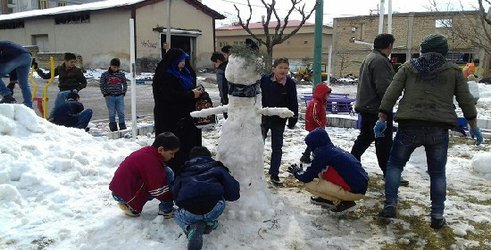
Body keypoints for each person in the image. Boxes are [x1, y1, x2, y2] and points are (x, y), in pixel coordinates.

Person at [376, 34, 484, 229]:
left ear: (423, 49)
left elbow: (391, 92)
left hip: (410, 125)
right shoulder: (453, 71)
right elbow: (465, 99)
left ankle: (390, 205)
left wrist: (382, 118)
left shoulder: (408, 67)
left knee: (395, 166)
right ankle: (436, 215)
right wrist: (474, 126)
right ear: (444, 50)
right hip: (438, 128)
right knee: (437, 174)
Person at [350, 34, 409, 186]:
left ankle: (351, 163)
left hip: (367, 106)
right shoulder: (380, 61)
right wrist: (387, 106)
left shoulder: (370, 57)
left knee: (365, 138)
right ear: (388, 46)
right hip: (377, 109)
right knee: (383, 143)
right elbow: (384, 88)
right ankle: (389, 174)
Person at [174, 146, 240, 250]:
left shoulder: (183, 171)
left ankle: (190, 228)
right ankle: (209, 223)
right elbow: (234, 193)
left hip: (190, 214)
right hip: (214, 208)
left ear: (190, 159)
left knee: (176, 214)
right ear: (209, 157)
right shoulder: (218, 168)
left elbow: (176, 197)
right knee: (220, 198)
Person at [289, 128, 369, 213]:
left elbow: (306, 178)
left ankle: (344, 202)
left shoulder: (322, 154)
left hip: (354, 191)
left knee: (309, 184)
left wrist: (296, 172)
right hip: (360, 187)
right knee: (321, 172)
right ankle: (331, 199)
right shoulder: (334, 150)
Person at [152, 48, 203, 173]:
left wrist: (197, 92)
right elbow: (169, 95)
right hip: (169, 117)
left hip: (186, 116)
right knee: (173, 144)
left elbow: (187, 88)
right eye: (181, 60)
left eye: (184, 60)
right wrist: (191, 95)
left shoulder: (185, 72)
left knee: (188, 143)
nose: (183, 63)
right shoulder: (165, 74)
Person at [109, 132, 180, 218]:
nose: (173, 157)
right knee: (168, 174)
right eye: (171, 153)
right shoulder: (152, 162)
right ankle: (166, 210)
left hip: (118, 190)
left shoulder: (148, 152)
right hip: (123, 194)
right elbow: (158, 189)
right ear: (160, 150)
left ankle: (128, 202)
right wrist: (172, 198)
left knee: (166, 172)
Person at [260, 57, 298, 184]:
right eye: (280, 67)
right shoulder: (265, 80)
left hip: (279, 120)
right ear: (273, 69)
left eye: (286, 68)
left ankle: (274, 173)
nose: (283, 70)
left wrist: (293, 118)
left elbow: (293, 101)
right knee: (259, 144)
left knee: (277, 147)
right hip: (263, 118)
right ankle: (255, 171)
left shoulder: (290, 84)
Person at [36, 52, 87, 119]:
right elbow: (46, 76)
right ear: (65, 61)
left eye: (74, 62)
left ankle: (75, 122)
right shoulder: (59, 69)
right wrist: (37, 69)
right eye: (71, 62)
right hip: (62, 91)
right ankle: (52, 120)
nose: (73, 64)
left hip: (72, 92)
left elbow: (84, 83)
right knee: (58, 107)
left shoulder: (77, 71)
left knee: (72, 109)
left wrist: (77, 89)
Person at [300, 83, 332, 164]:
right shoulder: (316, 103)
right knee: (315, 142)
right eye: (327, 95)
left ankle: (307, 156)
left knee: (314, 142)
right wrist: (320, 124)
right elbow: (313, 116)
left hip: (316, 127)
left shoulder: (319, 103)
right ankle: (308, 156)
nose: (328, 97)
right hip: (315, 127)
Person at [0, 41, 33, 107]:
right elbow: (13, 66)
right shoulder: (5, 44)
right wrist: (12, 82)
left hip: (16, 56)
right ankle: (28, 105)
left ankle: (6, 95)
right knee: (24, 83)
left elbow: (10, 60)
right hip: (27, 56)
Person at [100, 58, 128, 131]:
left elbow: (125, 84)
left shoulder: (121, 74)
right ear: (110, 66)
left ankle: (122, 126)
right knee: (112, 113)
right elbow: (101, 85)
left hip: (119, 96)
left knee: (121, 112)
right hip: (109, 96)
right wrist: (105, 93)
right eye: (114, 67)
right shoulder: (105, 75)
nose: (115, 69)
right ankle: (113, 126)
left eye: (117, 67)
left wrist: (123, 92)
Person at [210, 52, 229, 118]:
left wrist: (224, 98)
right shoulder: (228, 66)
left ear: (218, 61)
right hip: (232, 95)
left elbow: (222, 86)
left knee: (227, 116)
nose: (213, 65)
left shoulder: (220, 71)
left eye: (214, 63)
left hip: (226, 97)